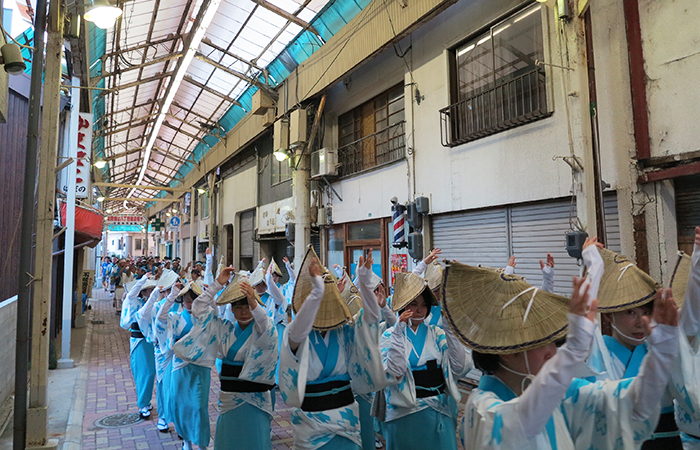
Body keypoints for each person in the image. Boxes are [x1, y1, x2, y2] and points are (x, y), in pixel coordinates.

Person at [444, 250, 679, 449]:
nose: (552, 352)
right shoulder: (481, 408)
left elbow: (629, 403)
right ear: (506, 351)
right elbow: (521, 421)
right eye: (540, 343)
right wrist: (573, 350)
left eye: (554, 342)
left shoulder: (564, 391)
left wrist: (662, 354)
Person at [587, 227, 700, 449]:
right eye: (630, 313)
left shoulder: (661, 351)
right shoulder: (599, 354)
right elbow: (585, 325)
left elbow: (690, 320)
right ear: (609, 317)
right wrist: (592, 269)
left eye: (646, 312)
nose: (640, 322)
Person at [279, 250, 387, 450]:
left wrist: (364, 284)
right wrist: (317, 292)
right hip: (311, 424)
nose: (323, 308)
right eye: (318, 304)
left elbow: (370, 320)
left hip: (346, 418)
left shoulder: (345, 332)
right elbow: (297, 332)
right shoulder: (297, 334)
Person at [174, 267, 279, 450]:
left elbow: (265, 322)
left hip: (256, 398)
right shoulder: (224, 328)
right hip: (229, 397)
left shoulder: (262, 329)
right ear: (231, 309)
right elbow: (198, 308)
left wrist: (253, 302)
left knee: (256, 440)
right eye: (238, 307)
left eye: (247, 307)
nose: (244, 312)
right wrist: (218, 284)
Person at [380, 271, 471, 450]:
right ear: (403, 306)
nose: (420, 310)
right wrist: (398, 333)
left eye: (424, 304)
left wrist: (450, 328)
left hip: (439, 409)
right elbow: (395, 373)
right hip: (403, 413)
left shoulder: (437, 334)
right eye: (413, 304)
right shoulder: (389, 335)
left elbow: (460, 368)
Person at [156, 280, 210, 450]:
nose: (190, 303)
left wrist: (211, 296)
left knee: (199, 406)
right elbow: (160, 318)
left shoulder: (206, 318)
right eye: (187, 299)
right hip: (179, 366)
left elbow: (219, 315)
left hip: (200, 367)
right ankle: (186, 441)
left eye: (194, 299)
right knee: (180, 404)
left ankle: (201, 442)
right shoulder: (176, 318)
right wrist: (172, 295)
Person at [136, 270, 181, 432]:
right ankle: (162, 417)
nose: (171, 292)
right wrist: (155, 294)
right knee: (162, 384)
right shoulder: (155, 306)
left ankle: (178, 420)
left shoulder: (182, 305)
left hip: (181, 352)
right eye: (168, 289)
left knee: (178, 385)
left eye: (174, 288)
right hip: (162, 352)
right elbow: (142, 316)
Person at [119, 274, 158, 418]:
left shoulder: (147, 303)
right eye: (149, 289)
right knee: (143, 373)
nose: (152, 291)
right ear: (143, 291)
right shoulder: (132, 301)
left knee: (150, 372)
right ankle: (142, 404)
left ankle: (146, 401)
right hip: (139, 343)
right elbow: (132, 293)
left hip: (149, 342)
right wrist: (142, 280)